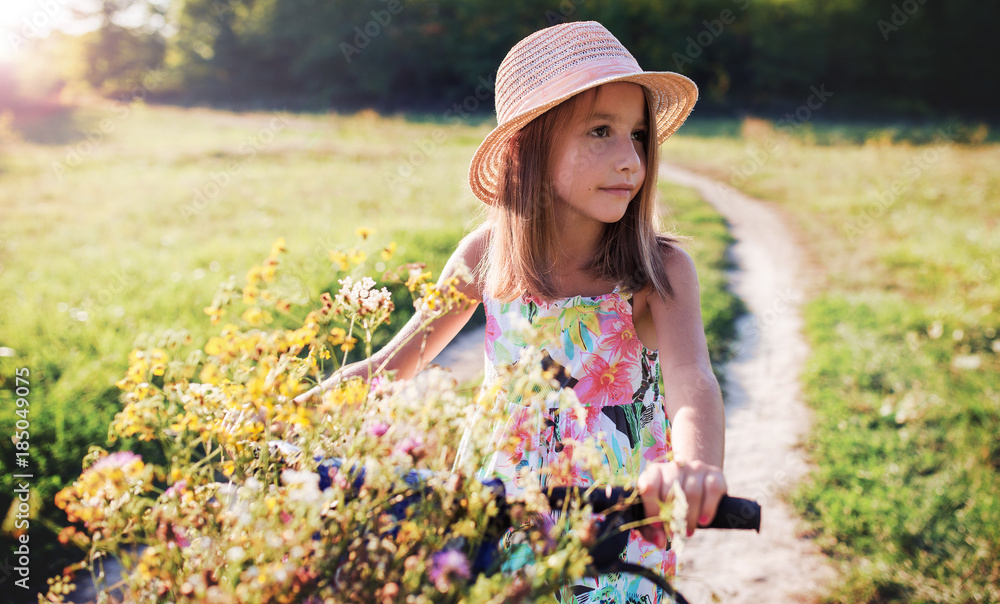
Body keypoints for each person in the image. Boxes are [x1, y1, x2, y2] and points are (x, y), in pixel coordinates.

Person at [299, 20, 726, 602]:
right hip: (499, 499)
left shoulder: (657, 269)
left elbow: (690, 377)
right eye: (601, 131)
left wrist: (694, 465)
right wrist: (316, 403)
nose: (630, 159)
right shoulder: (484, 255)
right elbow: (401, 358)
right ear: (529, 147)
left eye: (638, 136)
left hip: (616, 513)